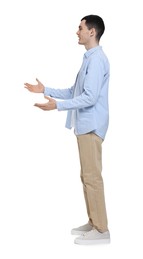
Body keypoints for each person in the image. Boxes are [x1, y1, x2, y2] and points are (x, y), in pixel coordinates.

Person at [24, 14, 110, 245]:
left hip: (91, 125)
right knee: (86, 176)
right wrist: (45, 89)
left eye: (80, 27)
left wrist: (57, 106)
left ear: (92, 32)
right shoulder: (89, 59)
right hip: (85, 126)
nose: (77, 31)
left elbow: (90, 97)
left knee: (92, 177)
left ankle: (101, 230)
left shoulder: (97, 59)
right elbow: (76, 90)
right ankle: (94, 221)